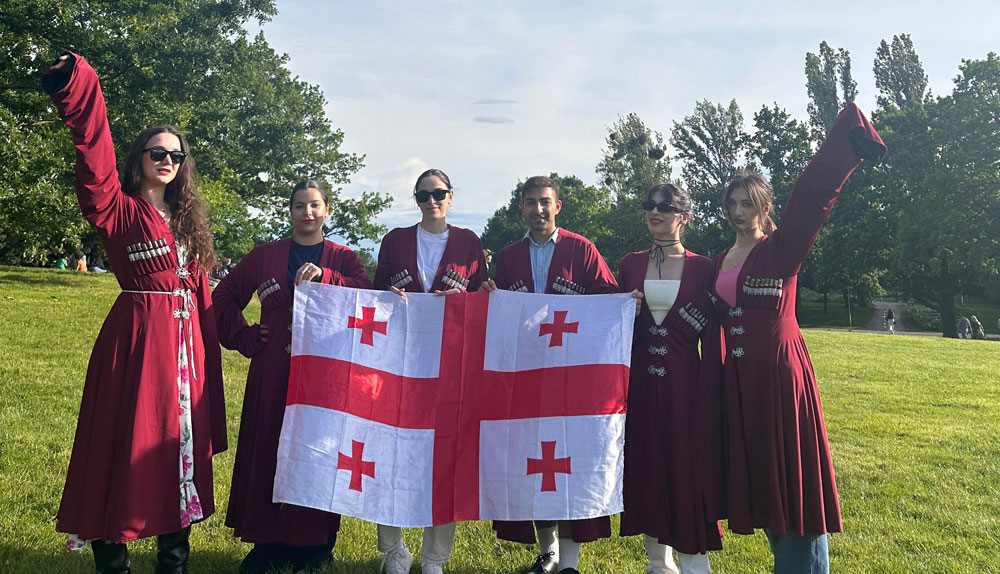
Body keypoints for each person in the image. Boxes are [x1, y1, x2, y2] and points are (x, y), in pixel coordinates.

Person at [42, 53, 228, 574]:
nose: (167, 160)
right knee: (122, 441)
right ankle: (113, 563)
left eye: (176, 154)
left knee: (175, 443)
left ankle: (174, 562)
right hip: (137, 341)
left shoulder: (188, 220)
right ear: (140, 158)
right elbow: (94, 161)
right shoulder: (118, 208)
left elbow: (204, 293)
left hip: (185, 350)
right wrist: (82, 86)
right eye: (157, 152)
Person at [710, 104, 885, 574]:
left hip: (780, 380)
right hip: (741, 386)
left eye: (748, 204)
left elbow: (813, 198)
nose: (738, 212)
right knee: (766, 489)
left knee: (796, 493)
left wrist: (846, 140)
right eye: (732, 204)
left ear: (765, 209)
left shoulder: (781, 250)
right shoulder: (719, 260)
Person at [213, 180, 373, 573]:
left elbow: (368, 296)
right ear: (290, 211)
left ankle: (316, 544)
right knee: (270, 443)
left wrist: (329, 278)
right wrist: (246, 336)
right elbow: (224, 296)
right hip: (274, 368)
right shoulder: (265, 255)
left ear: (326, 209)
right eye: (300, 205)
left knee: (317, 448)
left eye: (315, 205)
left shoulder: (343, 258)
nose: (308, 212)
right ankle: (267, 542)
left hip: (324, 372)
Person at [480, 175, 619, 574]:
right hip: (527, 375)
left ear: (557, 206)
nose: (538, 209)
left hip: (572, 374)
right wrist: (489, 298)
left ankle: (570, 561)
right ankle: (549, 553)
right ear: (521, 207)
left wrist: (628, 303)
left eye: (545, 202)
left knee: (570, 458)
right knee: (535, 459)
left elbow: (607, 298)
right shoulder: (508, 257)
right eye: (531, 202)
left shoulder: (582, 250)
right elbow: (501, 313)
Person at [372, 168, 488, 574]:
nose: (431, 201)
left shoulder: (469, 242)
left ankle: (434, 558)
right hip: (401, 362)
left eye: (438, 194)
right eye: (423, 195)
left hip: (450, 363)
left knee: (445, 457)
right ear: (416, 200)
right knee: (392, 450)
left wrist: (465, 297)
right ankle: (393, 550)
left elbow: (483, 299)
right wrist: (388, 295)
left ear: (451, 196)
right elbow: (375, 293)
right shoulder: (395, 240)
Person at [618, 184, 723, 574]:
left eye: (665, 206)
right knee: (647, 464)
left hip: (687, 383)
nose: (655, 212)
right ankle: (658, 564)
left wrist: (712, 388)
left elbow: (715, 332)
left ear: (684, 216)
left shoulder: (704, 268)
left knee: (687, 469)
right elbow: (611, 323)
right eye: (650, 205)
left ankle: (696, 564)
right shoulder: (630, 264)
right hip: (641, 385)